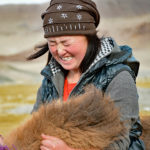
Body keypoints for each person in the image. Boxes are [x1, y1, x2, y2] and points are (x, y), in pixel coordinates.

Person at [27, 0, 145, 149]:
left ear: (89, 38)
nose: (60, 51)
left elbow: (121, 141)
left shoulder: (118, 77)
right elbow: (34, 129)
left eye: (66, 43)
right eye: (52, 43)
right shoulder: (50, 80)